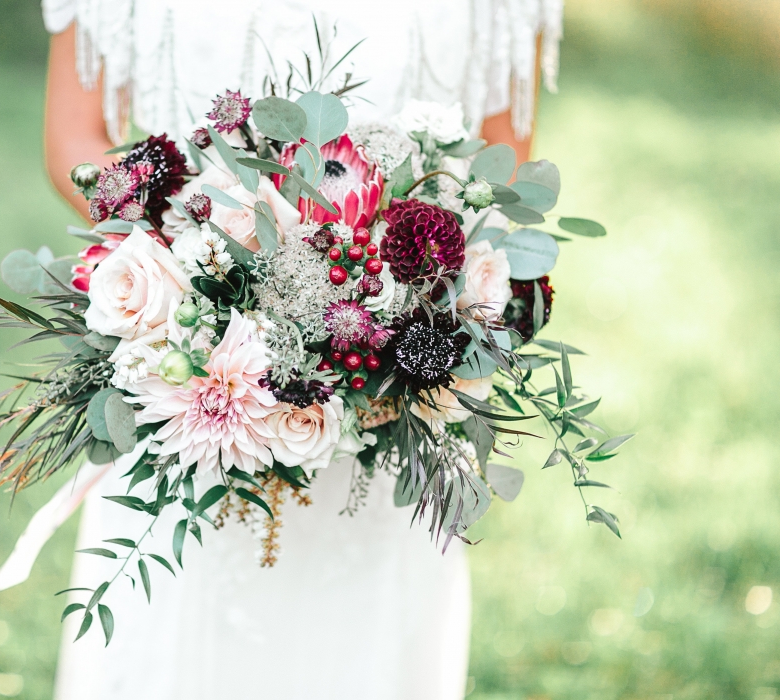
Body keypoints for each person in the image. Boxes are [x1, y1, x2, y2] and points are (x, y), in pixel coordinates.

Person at [40, 2, 562, 698]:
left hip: (387, 384)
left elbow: (505, 164)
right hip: (190, 360)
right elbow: (74, 138)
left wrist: (388, 288)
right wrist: (208, 263)